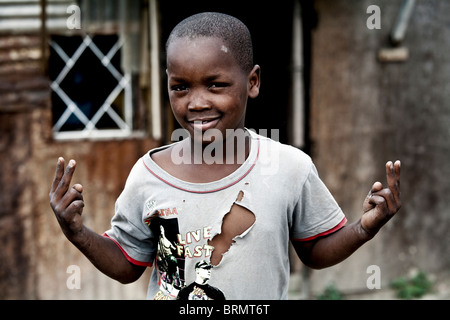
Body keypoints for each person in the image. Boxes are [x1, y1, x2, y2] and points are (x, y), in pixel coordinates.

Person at [49, 12, 401, 300]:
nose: (197, 102)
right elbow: (127, 263)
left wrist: (362, 229)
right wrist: (78, 232)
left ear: (253, 82)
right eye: (180, 87)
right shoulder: (148, 174)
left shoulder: (289, 167)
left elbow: (315, 251)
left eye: (216, 85)